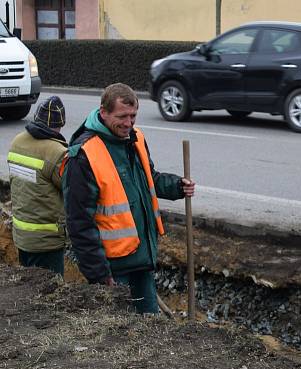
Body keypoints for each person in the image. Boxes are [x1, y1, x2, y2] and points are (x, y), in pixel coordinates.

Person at [63, 83, 196, 314]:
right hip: (113, 269)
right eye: (122, 116)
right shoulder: (83, 155)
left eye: (133, 116)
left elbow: (148, 179)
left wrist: (177, 186)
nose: (128, 123)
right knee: (120, 336)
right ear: (103, 113)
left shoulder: (135, 139)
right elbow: (79, 222)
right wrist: (98, 273)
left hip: (142, 257)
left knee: (150, 328)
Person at [7, 96, 69, 275]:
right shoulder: (57, 152)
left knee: (29, 290)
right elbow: (72, 190)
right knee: (50, 292)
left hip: (21, 235)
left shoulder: (17, 142)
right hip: (46, 242)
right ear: (60, 124)